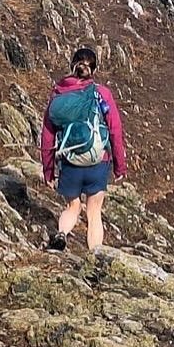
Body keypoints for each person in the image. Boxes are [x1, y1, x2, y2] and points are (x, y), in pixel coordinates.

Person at [40, 46, 126, 252]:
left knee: (73, 206)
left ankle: (61, 234)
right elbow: (115, 130)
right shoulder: (101, 93)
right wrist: (119, 167)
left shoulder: (58, 95)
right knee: (94, 211)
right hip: (98, 160)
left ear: (72, 65)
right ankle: (95, 255)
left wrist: (48, 171)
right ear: (93, 70)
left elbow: (47, 135)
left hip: (70, 162)